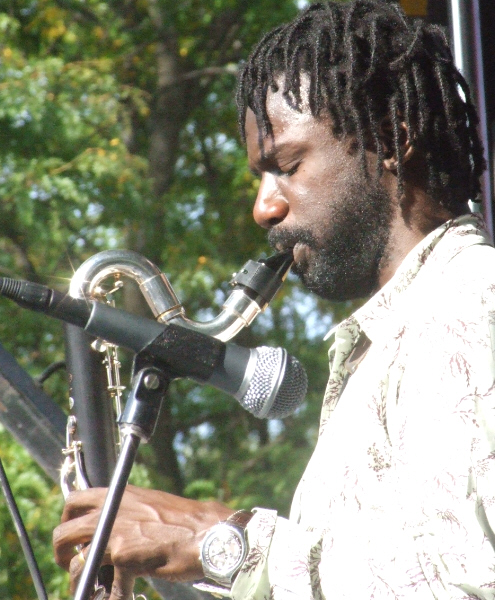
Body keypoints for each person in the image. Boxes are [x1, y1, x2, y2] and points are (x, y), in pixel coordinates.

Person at [53, 1, 495, 599]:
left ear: (393, 138)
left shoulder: (470, 306)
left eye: (286, 164)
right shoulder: (394, 338)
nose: (264, 207)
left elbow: (455, 580)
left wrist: (221, 541)